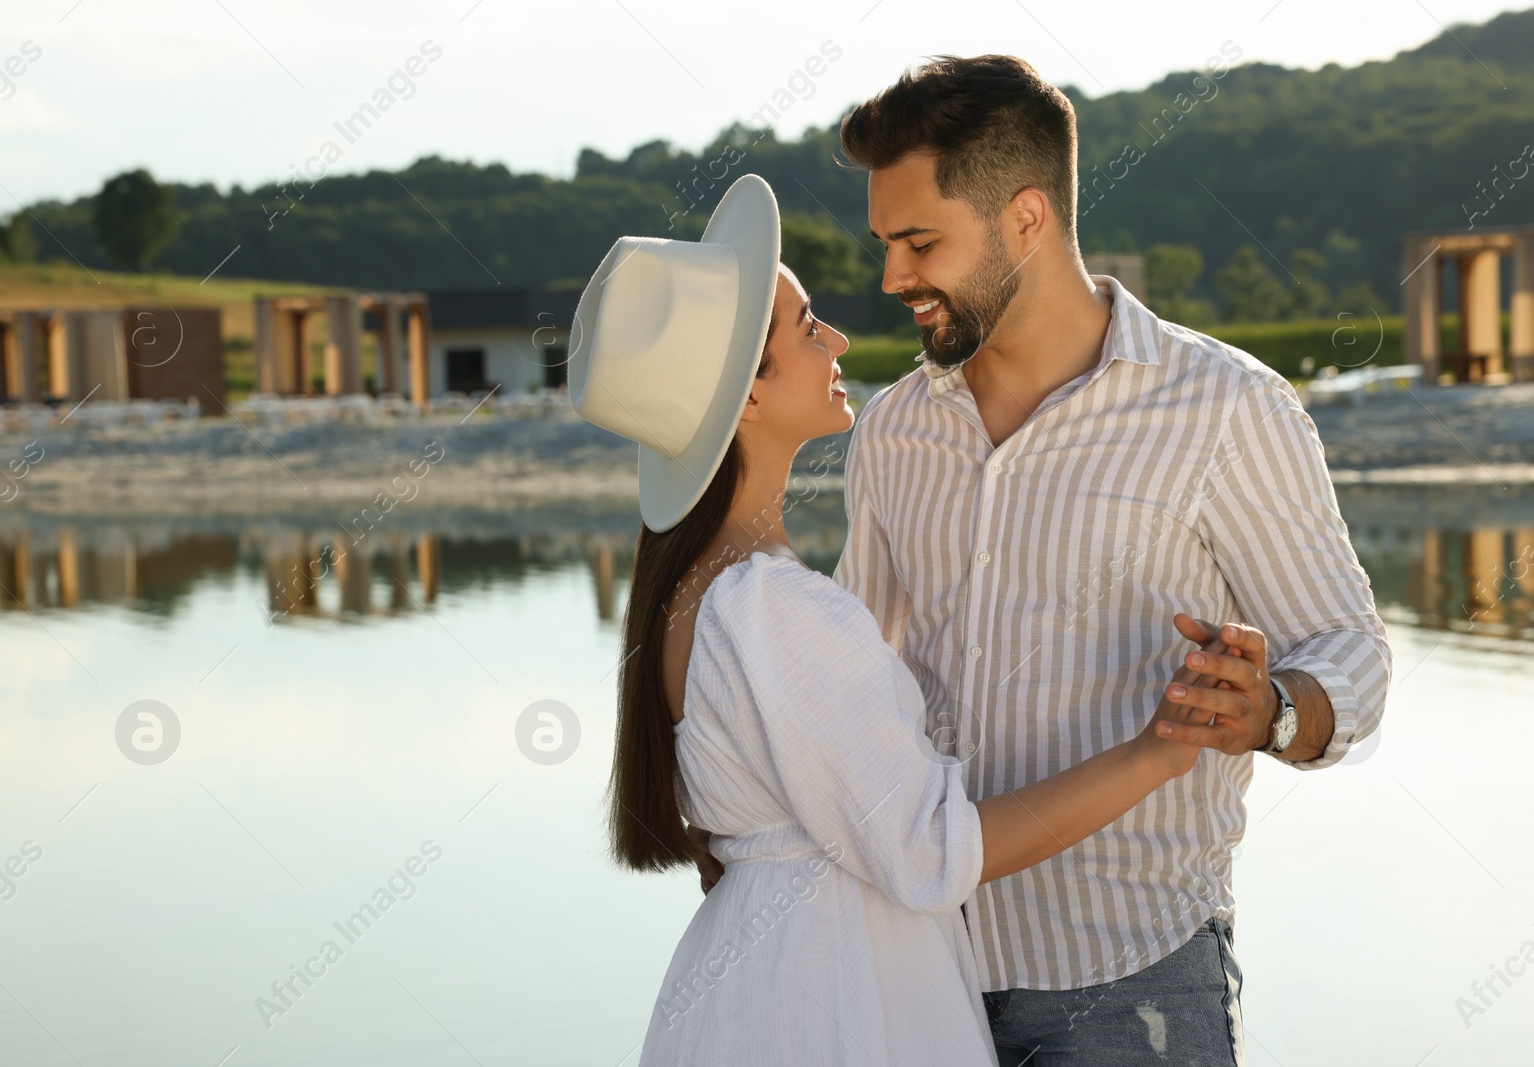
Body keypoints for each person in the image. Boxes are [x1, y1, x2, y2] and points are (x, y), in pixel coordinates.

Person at [569, 173, 1230, 1066]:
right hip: (837, 997)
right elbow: (932, 850)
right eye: (807, 328)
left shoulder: (692, 593)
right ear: (747, 397)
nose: (836, 338)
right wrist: (1159, 749)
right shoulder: (772, 605)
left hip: (754, 989)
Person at [831, 55, 1393, 1064]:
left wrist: (1270, 709)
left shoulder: (1224, 407)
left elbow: (1350, 645)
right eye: (885, 243)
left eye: (919, 242)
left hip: (1134, 982)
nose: (892, 278)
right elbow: (855, 678)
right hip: (919, 969)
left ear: (1026, 218)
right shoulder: (892, 430)